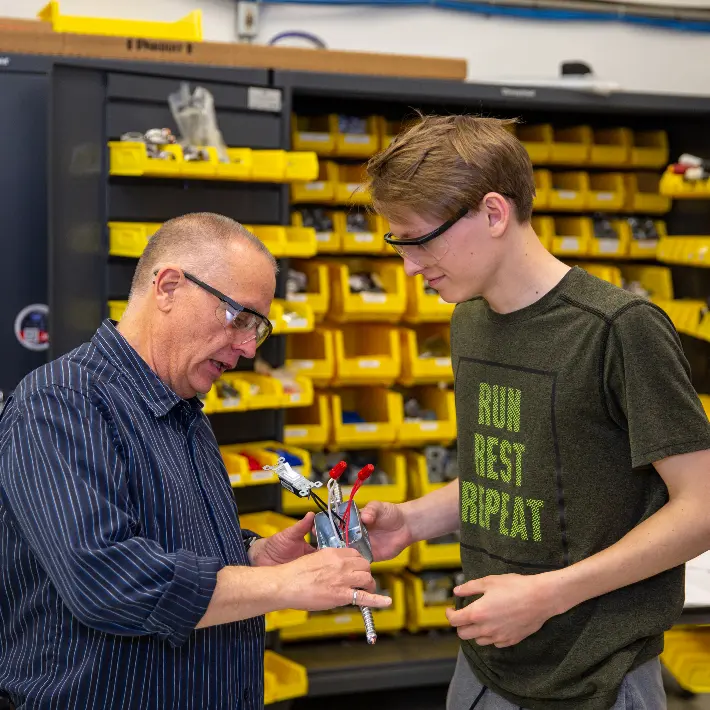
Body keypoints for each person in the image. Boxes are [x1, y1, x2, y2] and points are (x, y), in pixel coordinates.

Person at [360, 115, 710, 710]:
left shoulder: (618, 330)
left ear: (494, 214)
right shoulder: (469, 320)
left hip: (594, 680)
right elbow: (517, 472)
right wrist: (413, 520)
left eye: (419, 241)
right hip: (485, 665)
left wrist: (550, 595)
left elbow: (702, 506)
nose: (410, 268)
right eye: (399, 245)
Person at [0, 212, 391, 710]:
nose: (249, 348)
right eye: (240, 317)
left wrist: (252, 558)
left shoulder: (184, 410)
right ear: (168, 287)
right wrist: (279, 585)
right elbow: (107, 581)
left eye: (259, 328)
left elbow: (165, 543)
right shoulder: (62, 401)